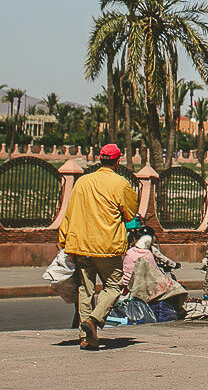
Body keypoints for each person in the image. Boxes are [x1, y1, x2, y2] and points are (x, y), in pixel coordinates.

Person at [59, 143, 138, 350]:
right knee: (114, 286)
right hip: (107, 245)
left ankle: (86, 338)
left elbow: (69, 213)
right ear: (117, 161)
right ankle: (94, 320)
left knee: (85, 291)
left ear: (100, 159)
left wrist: (64, 240)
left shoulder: (82, 182)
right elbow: (130, 213)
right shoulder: (120, 184)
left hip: (81, 245)